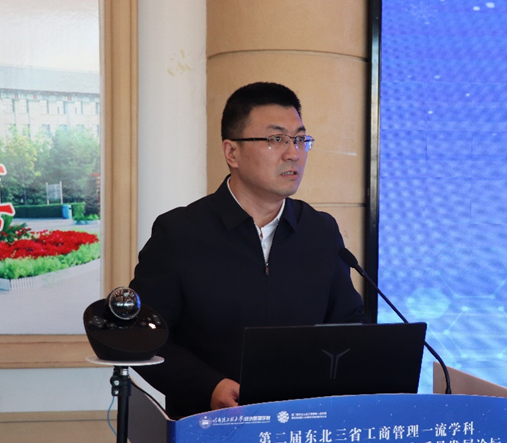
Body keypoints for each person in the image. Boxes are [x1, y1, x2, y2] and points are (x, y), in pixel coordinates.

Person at [129, 82, 364, 419]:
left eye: (300, 139)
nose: (294, 153)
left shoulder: (320, 231)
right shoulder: (179, 233)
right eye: (276, 139)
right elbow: (143, 336)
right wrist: (208, 387)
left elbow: (348, 325)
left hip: (304, 426)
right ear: (232, 153)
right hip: (209, 427)